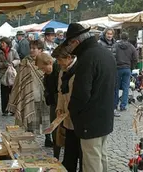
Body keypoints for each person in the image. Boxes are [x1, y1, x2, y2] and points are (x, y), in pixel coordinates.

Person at [64, 23, 116, 172]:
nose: (70, 48)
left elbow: (81, 93)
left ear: (76, 42)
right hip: (104, 115)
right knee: (100, 156)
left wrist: (72, 111)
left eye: (69, 44)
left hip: (90, 119)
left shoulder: (87, 57)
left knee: (92, 161)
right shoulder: (105, 53)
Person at [7, 41, 50, 135]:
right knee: (31, 123)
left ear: (40, 50)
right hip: (30, 96)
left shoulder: (47, 62)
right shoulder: (25, 63)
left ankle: (48, 138)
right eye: (30, 48)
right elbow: (20, 81)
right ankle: (30, 139)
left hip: (43, 96)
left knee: (47, 120)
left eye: (34, 48)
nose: (31, 50)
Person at [52, 44, 82, 172]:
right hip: (66, 116)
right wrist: (59, 108)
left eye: (60, 60)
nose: (58, 63)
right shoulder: (62, 70)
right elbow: (60, 91)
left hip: (78, 117)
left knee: (81, 152)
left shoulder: (79, 69)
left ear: (69, 57)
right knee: (69, 151)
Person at [36, 52, 61, 158]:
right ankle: (56, 156)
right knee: (54, 130)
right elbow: (47, 87)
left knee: (60, 132)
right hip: (53, 103)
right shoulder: (48, 73)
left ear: (49, 62)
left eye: (43, 68)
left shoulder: (59, 69)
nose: (43, 71)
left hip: (60, 104)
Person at [114, 32, 138, 113]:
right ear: (128, 38)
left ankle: (115, 104)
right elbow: (135, 58)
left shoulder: (116, 46)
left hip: (117, 69)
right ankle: (123, 106)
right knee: (126, 88)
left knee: (116, 88)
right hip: (127, 69)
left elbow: (112, 56)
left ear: (120, 37)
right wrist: (131, 67)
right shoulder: (131, 47)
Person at [0, 37, 20, 116]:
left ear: (7, 44)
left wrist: (13, 63)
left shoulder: (13, 51)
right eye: (1, 43)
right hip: (3, 75)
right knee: (4, 93)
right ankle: (5, 110)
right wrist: (4, 64)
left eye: (3, 43)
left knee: (13, 92)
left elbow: (18, 59)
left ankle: (13, 110)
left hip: (12, 74)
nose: (1, 44)